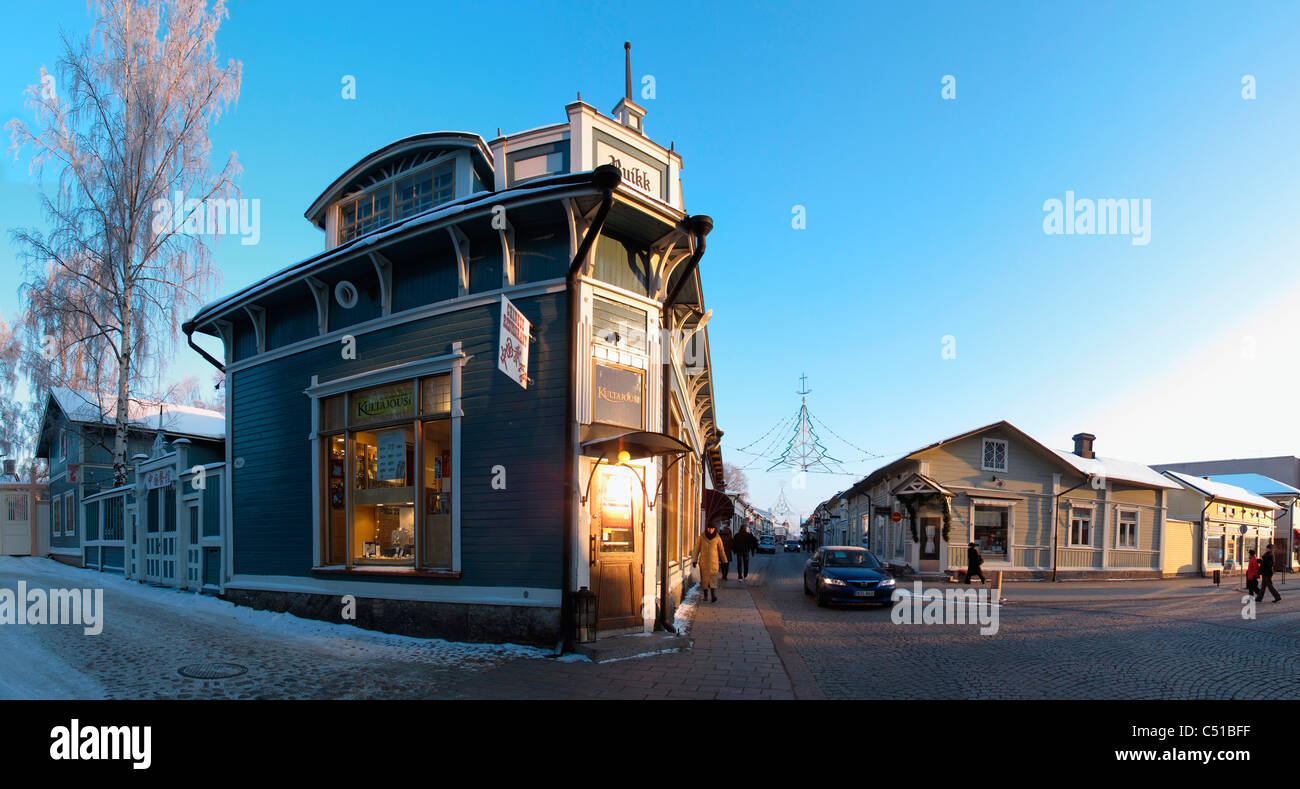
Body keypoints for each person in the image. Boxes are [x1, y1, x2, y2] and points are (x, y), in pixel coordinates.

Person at [692, 522, 728, 602]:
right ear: (707, 529)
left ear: (714, 529)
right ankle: (705, 596)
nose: (711, 530)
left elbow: (721, 550)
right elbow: (697, 549)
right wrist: (694, 560)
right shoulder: (701, 537)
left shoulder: (717, 538)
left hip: (714, 562)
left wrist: (724, 560)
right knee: (704, 580)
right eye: (709, 528)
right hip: (703, 562)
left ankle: (713, 595)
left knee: (713, 579)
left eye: (712, 528)